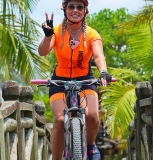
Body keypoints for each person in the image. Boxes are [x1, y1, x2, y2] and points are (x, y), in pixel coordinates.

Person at [38, 0, 112, 159]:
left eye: (80, 7)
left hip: (86, 80)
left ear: (85, 11)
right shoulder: (56, 31)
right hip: (60, 81)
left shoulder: (92, 34)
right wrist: (47, 36)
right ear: (64, 9)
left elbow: (99, 56)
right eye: (71, 6)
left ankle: (90, 146)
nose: (75, 10)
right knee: (58, 120)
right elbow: (43, 51)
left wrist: (103, 71)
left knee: (92, 115)